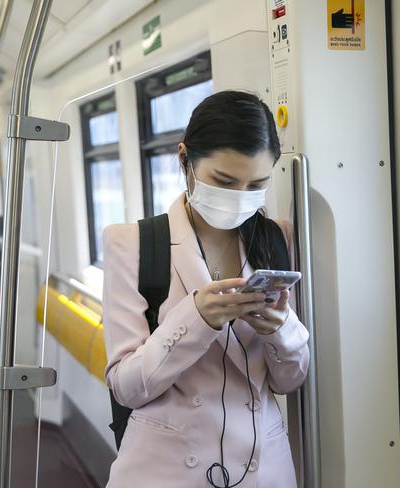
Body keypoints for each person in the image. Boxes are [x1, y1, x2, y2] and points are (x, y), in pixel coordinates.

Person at [102, 91, 310, 487]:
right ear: (186, 160)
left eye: (256, 184)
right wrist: (196, 319)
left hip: (262, 468)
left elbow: (289, 382)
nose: (239, 196)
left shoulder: (279, 239)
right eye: (224, 181)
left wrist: (279, 329)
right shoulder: (132, 243)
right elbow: (127, 387)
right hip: (164, 471)